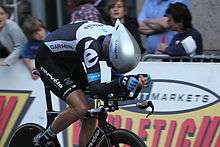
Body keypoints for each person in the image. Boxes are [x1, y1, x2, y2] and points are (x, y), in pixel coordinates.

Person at [33, 20, 150, 147]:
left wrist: (134, 81)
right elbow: (96, 88)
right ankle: (43, 139)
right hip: (49, 60)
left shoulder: (115, 40)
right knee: (81, 106)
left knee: (90, 114)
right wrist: (122, 82)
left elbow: (116, 78)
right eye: (109, 61)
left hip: (71, 58)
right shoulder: (91, 46)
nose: (108, 62)